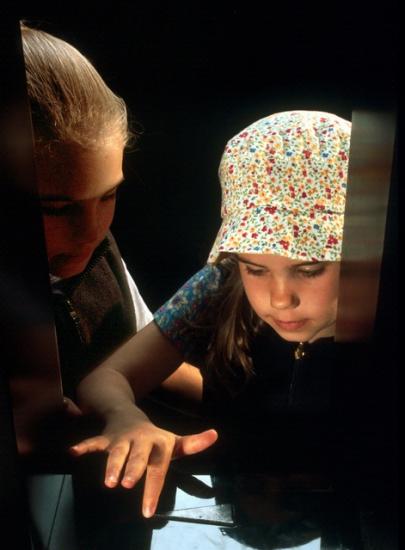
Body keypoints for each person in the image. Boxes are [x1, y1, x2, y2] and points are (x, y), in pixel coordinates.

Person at [70, 110, 352, 518]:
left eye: (309, 269)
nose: (279, 298)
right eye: (255, 268)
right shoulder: (220, 282)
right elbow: (107, 377)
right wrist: (126, 416)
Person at [20, 22, 200, 407]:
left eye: (108, 196)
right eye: (55, 207)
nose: (91, 233)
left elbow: (143, 356)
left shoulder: (98, 251)